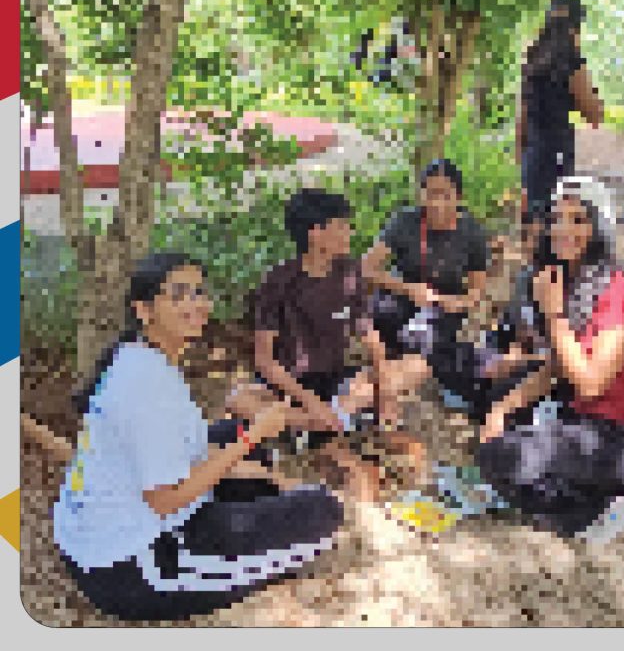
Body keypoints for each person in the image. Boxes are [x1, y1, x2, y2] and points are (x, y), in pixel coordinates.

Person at [54, 253, 343, 622]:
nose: (196, 304)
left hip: (99, 535)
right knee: (321, 511)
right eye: (178, 295)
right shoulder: (146, 385)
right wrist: (254, 435)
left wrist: (260, 469)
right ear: (144, 310)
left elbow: (192, 448)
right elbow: (164, 500)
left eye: (199, 292)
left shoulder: (140, 356)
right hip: (130, 566)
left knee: (239, 443)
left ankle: (249, 499)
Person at [478, 178, 624, 538]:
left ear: (599, 228)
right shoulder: (571, 280)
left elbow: (590, 384)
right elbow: (556, 366)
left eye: (578, 219)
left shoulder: (618, 293)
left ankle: (596, 510)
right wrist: (502, 408)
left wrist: (554, 314)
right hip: (585, 421)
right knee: (496, 411)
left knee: (499, 458)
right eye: (558, 218)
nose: (563, 229)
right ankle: (585, 494)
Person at [252, 189, 428, 466]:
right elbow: (264, 360)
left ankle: (322, 421)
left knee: (417, 366)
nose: (349, 232)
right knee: (241, 399)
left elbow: (369, 336)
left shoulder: (349, 273)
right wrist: (310, 400)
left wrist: (386, 392)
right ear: (315, 233)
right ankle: (320, 420)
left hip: (335, 381)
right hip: (290, 384)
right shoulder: (279, 282)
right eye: (342, 226)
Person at [362, 159, 490, 405]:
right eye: (431, 194)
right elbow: (366, 268)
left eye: (445, 195)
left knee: (427, 341)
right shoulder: (405, 221)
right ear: (421, 194)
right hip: (402, 297)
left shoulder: (472, 233)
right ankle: (388, 363)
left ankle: (390, 380)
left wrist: (460, 303)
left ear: (459, 197)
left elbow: (477, 289)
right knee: (377, 316)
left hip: (442, 305)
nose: (437, 203)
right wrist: (407, 289)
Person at [517, 0, 604, 231]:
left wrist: (520, 162)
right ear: (575, 27)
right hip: (556, 152)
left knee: (533, 223)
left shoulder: (533, 58)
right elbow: (594, 114)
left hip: (533, 153)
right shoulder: (570, 60)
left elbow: (521, 117)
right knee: (555, 222)